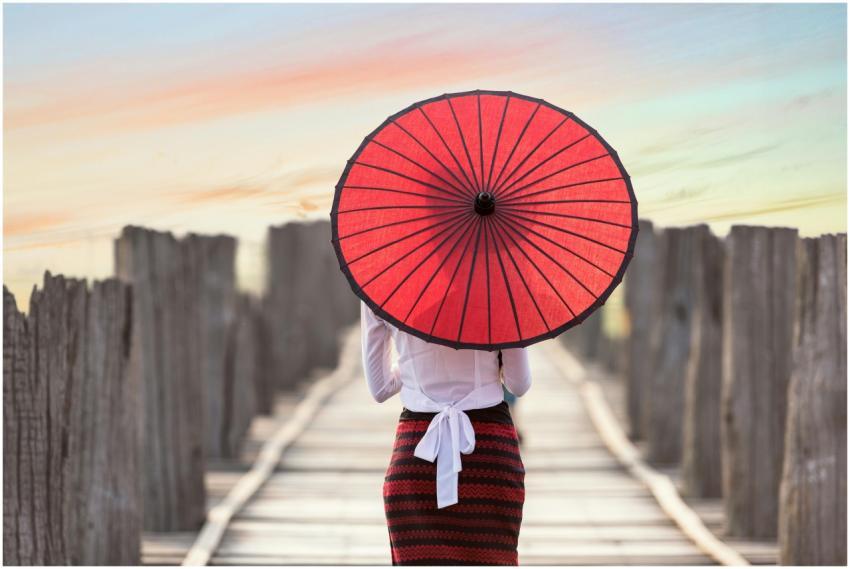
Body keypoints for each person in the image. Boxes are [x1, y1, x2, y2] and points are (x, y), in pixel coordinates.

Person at [360, 301, 531, 566]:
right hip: (488, 457)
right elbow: (518, 384)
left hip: (416, 458)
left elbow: (380, 388)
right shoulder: (498, 287)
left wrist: (411, 365)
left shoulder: (383, 287)